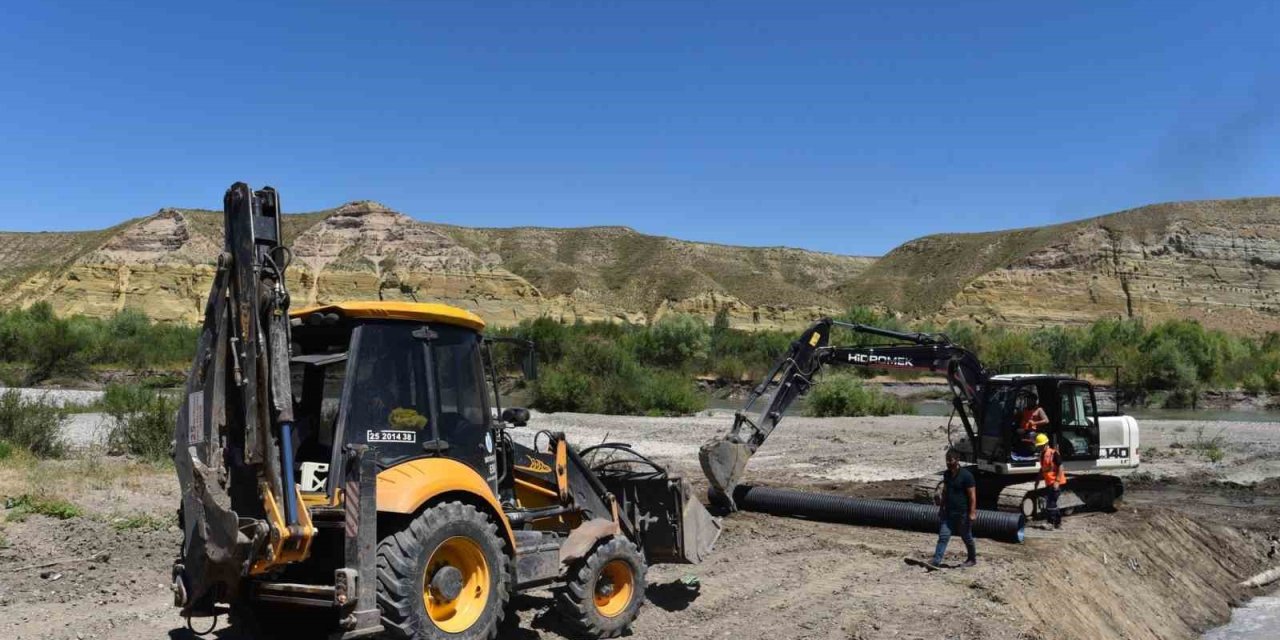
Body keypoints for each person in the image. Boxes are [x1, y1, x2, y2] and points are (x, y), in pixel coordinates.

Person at [931, 449, 977, 568]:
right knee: (943, 536)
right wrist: (941, 507)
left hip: (962, 513)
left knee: (966, 537)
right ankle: (936, 561)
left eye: (950, 460)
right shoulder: (947, 474)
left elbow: (972, 496)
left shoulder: (966, 476)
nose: (948, 463)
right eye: (947, 460)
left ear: (957, 460)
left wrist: (972, 513)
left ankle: (972, 559)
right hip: (949, 512)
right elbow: (945, 491)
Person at [1036, 433, 1066, 529]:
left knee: (1051, 503)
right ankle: (1058, 523)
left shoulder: (1054, 453)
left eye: (1041, 446)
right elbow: (1043, 469)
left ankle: (1050, 523)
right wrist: (1037, 479)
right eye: (1039, 446)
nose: (1039, 447)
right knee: (1052, 503)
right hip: (1049, 482)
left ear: (1046, 444)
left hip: (1056, 483)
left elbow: (1061, 466)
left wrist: (1057, 481)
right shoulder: (1042, 455)